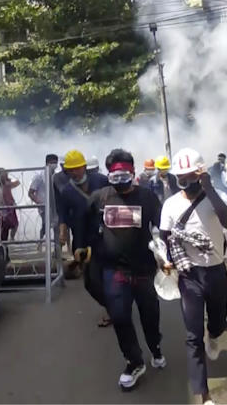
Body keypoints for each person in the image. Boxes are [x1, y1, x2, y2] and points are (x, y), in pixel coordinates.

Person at [82, 149, 167, 390]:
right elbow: (85, 224)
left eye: (124, 175)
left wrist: (165, 255)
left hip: (144, 270)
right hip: (114, 271)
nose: (119, 181)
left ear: (132, 173)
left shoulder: (148, 198)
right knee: (119, 316)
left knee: (150, 316)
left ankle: (155, 346)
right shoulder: (99, 198)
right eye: (114, 176)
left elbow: (162, 228)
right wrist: (84, 247)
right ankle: (134, 362)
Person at [159, 148, 227, 405]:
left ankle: (214, 335)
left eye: (191, 176)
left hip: (216, 271)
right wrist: (168, 260)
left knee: (218, 322)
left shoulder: (214, 199)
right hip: (189, 275)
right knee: (193, 336)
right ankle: (203, 396)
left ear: (201, 173)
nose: (186, 181)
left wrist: (209, 188)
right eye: (181, 177)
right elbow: (165, 237)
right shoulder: (170, 204)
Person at [59, 149, 110, 326]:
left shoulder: (101, 181)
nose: (73, 172)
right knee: (90, 281)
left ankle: (116, 307)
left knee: (111, 273)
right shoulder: (66, 191)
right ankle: (110, 304)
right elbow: (63, 214)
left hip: (109, 235)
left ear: (84, 167)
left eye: (76, 168)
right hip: (83, 240)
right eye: (69, 170)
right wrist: (63, 231)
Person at [30, 154, 60, 244]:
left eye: (56, 163)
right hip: (44, 206)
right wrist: (39, 203)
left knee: (57, 227)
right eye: (52, 163)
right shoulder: (39, 176)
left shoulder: (57, 175)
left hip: (55, 205)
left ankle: (57, 249)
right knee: (46, 226)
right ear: (47, 163)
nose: (54, 165)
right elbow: (31, 193)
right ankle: (40, 243)